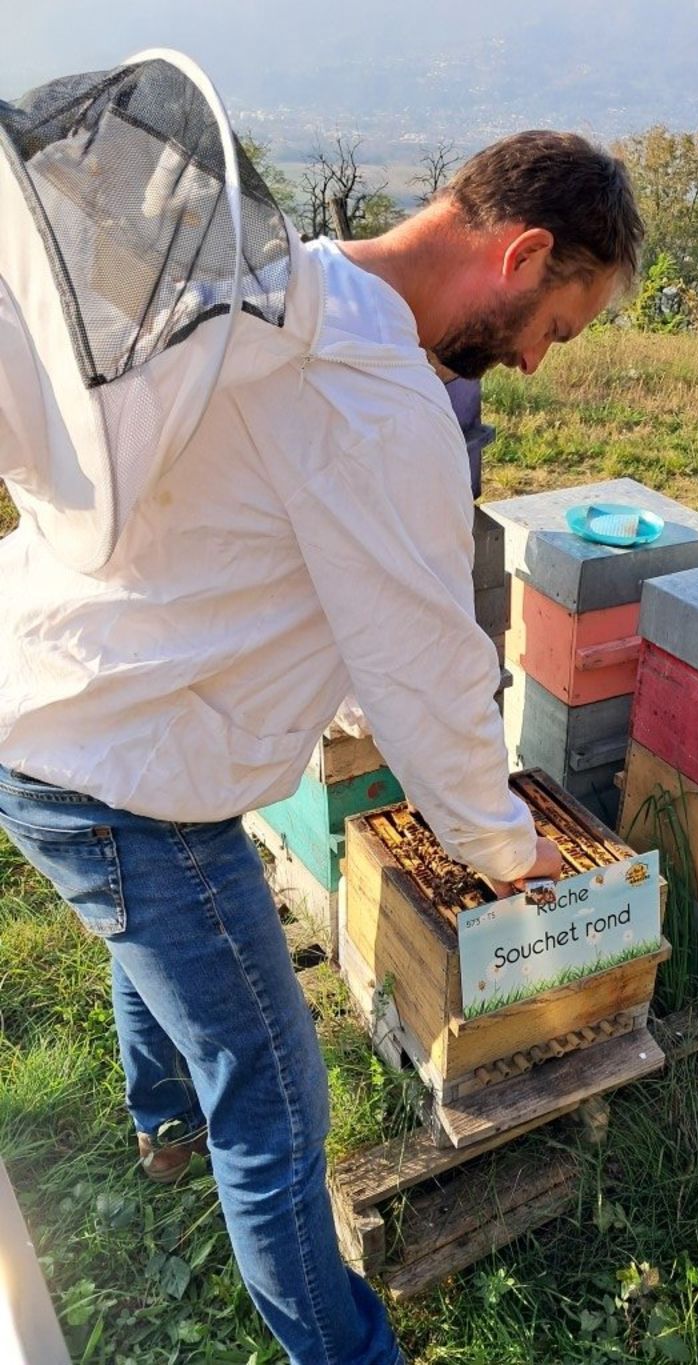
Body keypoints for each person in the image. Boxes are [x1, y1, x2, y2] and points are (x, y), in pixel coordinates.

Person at [0, 120, 643, 1364]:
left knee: (159, 944)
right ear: (521, 255)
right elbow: (431, 674)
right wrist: (507, 852)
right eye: (555, 329)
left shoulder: (276, 276)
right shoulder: (375, 399)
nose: (531, 362)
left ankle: (162, 1121)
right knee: (280, 1109)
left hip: (59, 696)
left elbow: (254, 539)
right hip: (121, 772)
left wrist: (330, 692)